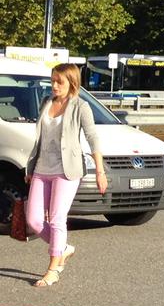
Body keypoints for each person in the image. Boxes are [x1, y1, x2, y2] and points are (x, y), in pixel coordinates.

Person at [25, 63, 106, 287]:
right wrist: (30, 168)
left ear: (72, 82)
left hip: (67, 170)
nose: (54, 85)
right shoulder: (46, 103)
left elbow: (93, 138)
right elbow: (40, 139)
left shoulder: (81, 106)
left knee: (58, 218)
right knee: (33, 219)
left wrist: (100, 171)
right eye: (52, 81)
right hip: (42, 168)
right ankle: (64, 248)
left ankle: (53, 269)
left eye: (59, 81)